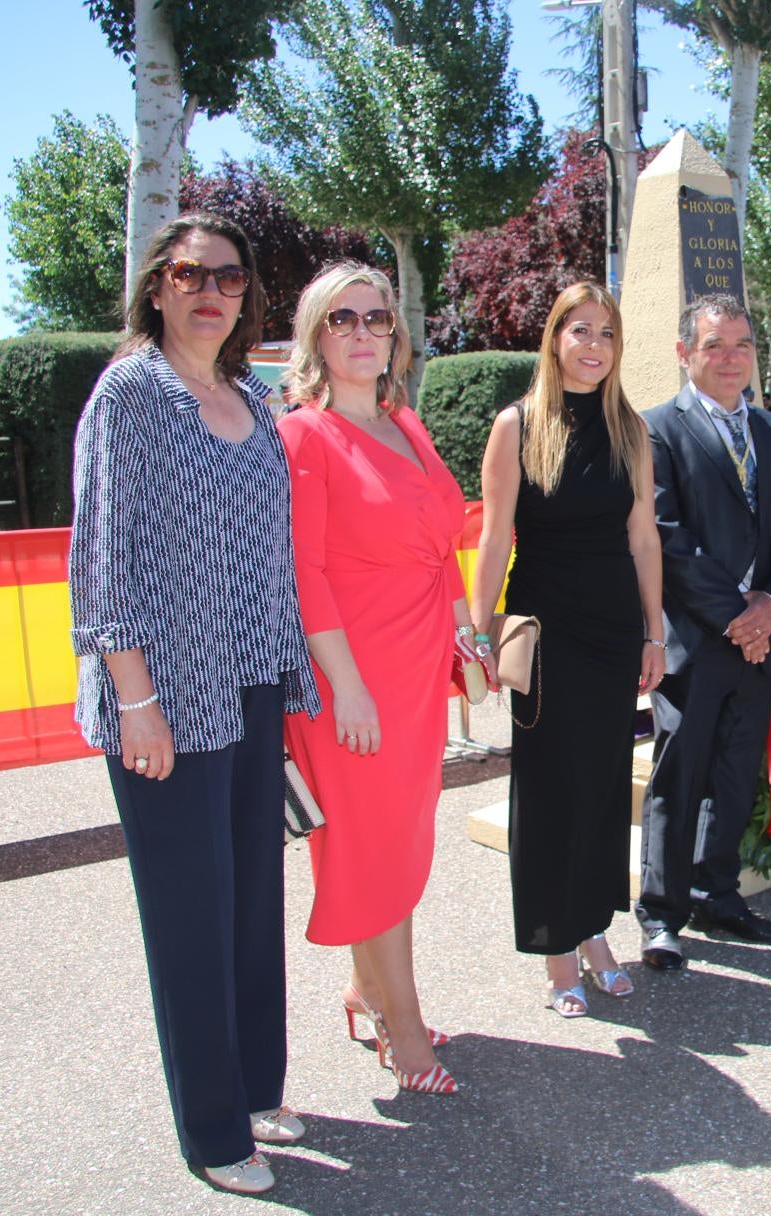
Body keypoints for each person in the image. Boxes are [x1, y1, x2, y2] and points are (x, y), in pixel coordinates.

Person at [68, 213, 320, 1196]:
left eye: (227, 276)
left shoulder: (252, 398)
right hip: (166, 693)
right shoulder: (130, 395)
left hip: (252, 683)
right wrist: (135, 698)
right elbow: (101, 556)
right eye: (189, 275)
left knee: (251, 901)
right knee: (191, 916)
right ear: (157, 287)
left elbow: (270, 549)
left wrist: (294, 675)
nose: (210, 291)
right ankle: (213, 1131)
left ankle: (256, 1085)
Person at [277, 261, 466, 1094]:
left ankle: (366, 989)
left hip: (418, 665)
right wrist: (344, 685)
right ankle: (404, 1022)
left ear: (396, 332)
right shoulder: (302, 434)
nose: (362, 333)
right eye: (342, 319)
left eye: (376, 319)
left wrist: (466, 635)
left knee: (392, 840)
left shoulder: (406, 421)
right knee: (372, 850)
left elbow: (442, 541)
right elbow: (304, 571)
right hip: (352, 677)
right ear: (316, 335)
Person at [468, 282, 666, 1017]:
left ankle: (593, 932)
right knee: (551, 792)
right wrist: (478, 633)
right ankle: (556, 948)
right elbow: (493, 539)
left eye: (606, 334)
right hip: (545, 633)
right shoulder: (516, 425)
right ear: (554, 339)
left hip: (615, 630)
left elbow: (643, 537)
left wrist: (654, 631)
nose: (593, 345)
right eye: (579, 330)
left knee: (605, 787)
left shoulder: (633, 430)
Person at [637, 293, 771, 971]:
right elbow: (667, 538)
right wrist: (737, 618)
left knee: (737, 772)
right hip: (694, 638)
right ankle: (662, 913)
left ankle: (720, 894)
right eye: (715, 346)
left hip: (759, 636)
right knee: (680, 778)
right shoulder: (657, 429)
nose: (730, 359)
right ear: (685, 353)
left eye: (742, 345)